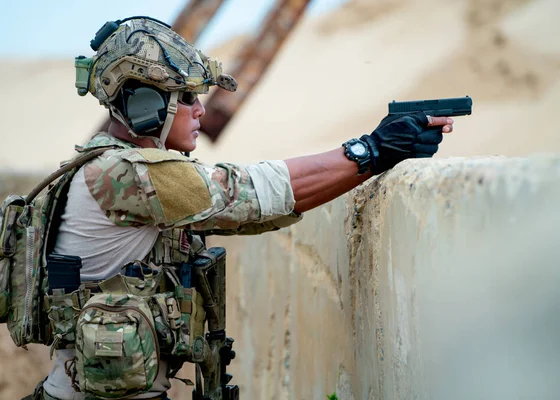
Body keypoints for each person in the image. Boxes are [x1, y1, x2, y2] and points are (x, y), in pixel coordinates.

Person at [36, 16, 454, 400]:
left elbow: (257, 210)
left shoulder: (114, 166)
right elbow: (250, 193)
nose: (201, 109)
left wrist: (369, 158)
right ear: (145, 105)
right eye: (186, 97)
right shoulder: (125, 175)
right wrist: (370, 150)